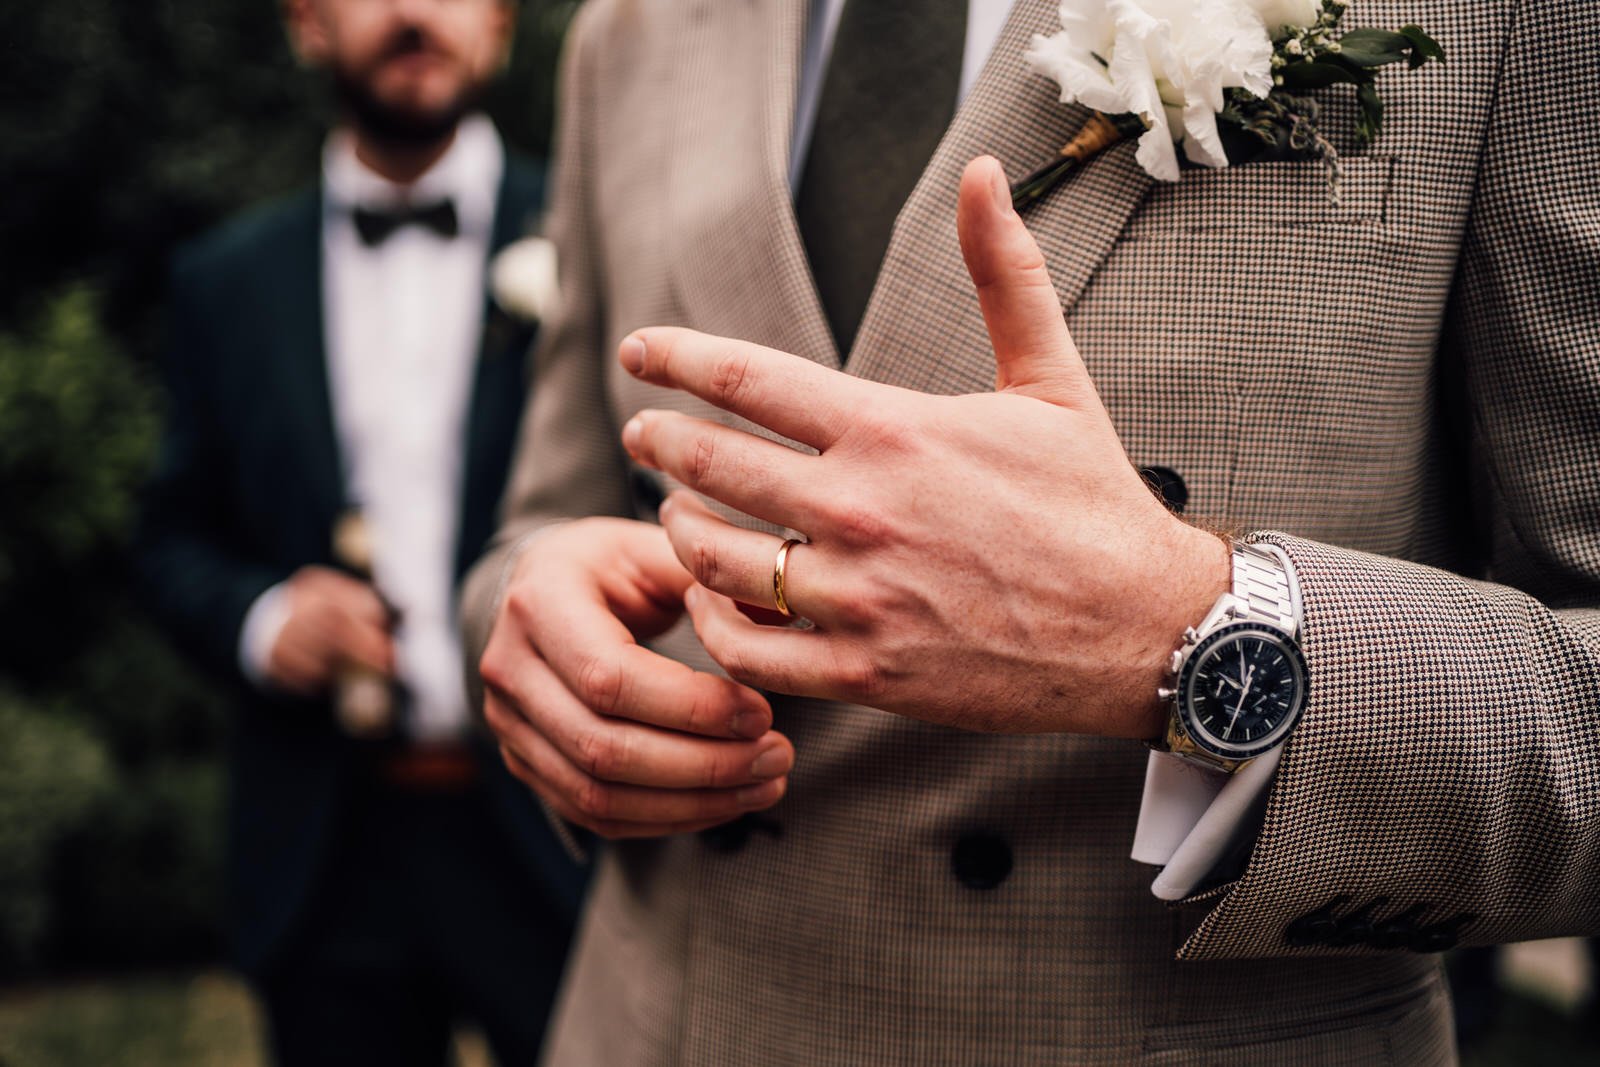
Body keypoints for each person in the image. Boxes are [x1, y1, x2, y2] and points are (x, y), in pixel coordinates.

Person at [467, 0, 1599, 1062]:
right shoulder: (626, 27)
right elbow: (545, 509)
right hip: (654, 1019)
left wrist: (1196, 633)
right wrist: (531, 608)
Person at [136, 1, 583, 1063]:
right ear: (307, 24)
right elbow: (168, 537)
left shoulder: (590, 231)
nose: (414, 12)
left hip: (554, 827)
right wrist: (261, 617)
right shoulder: (224, 281)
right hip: (327, 846)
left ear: (503, 27)